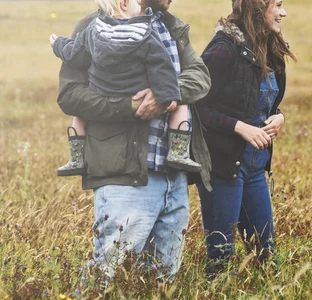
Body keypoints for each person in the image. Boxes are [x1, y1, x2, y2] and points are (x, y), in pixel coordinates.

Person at [55, 0, 212, 288]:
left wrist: (164, 93)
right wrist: (129, 106)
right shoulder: (95, 25)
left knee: (160, 282)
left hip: (173, 175)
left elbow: (200, 77)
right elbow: (70, 95)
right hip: (125, 176)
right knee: (108, 278)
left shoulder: (171, 25)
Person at [188, 0, 295, 275]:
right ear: (257, 8)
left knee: (266, 258)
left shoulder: (270, 48)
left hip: (255, 167)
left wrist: (279, 117)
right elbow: (196, 105)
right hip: (223, 167)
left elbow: (256, 102)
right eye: (278, 5)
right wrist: (239, 127)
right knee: (221, 258)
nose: (283, 13)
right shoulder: (224, 49)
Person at [50, 0, 202, 176]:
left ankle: (76, 158)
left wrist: (58, 44)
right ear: (124, 4)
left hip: (172, 177)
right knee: (180, 105)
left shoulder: (94, 28)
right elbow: (161, 65)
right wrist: (158, 96)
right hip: (122, 176)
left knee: (79, 118)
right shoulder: (144, 30)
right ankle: (178, 152)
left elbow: (73, 53)